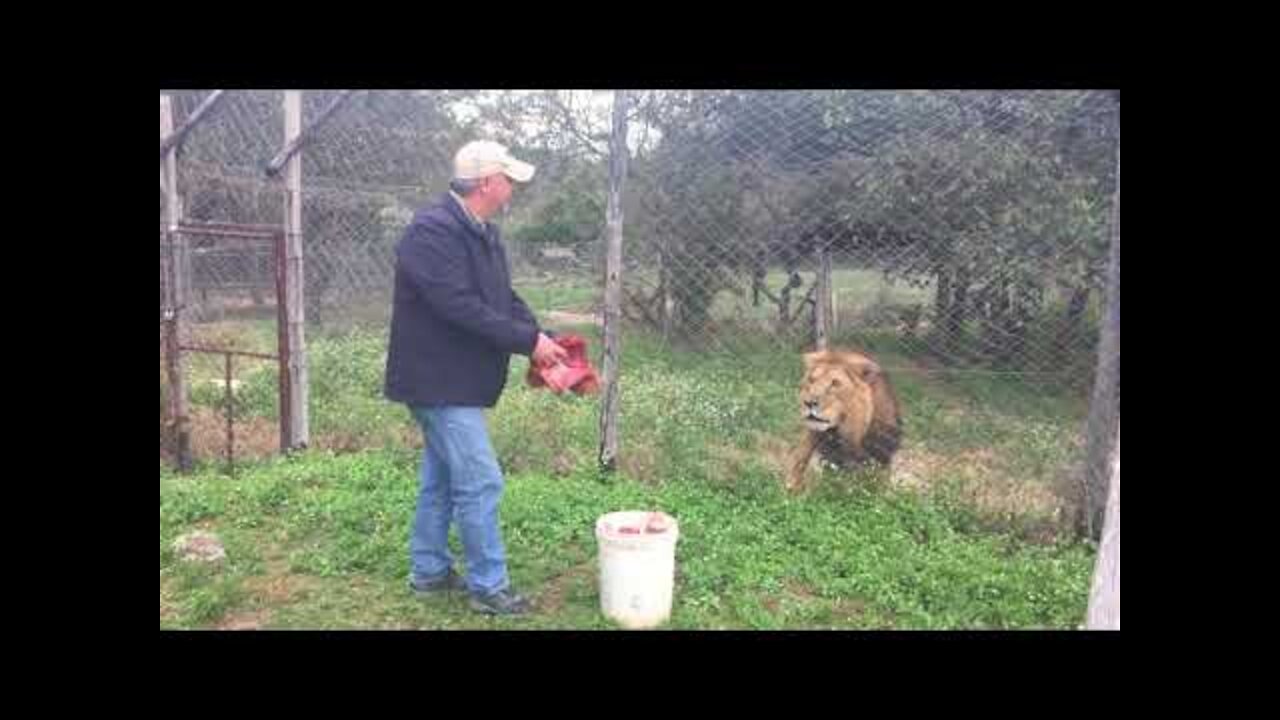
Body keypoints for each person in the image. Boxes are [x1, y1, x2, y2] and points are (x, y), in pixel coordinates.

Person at [384, 140, 569, 615]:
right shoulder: (432, 232)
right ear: (487, 182)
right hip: (436, 380)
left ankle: (428, 570)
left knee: (443, 478)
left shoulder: (482, 232)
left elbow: (501, 298)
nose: (513, 189)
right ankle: (489, 587)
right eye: (508, 179)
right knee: (481, 481)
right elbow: (458, 307)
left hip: (456, 379)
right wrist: (526, 343)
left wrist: (540, 339)